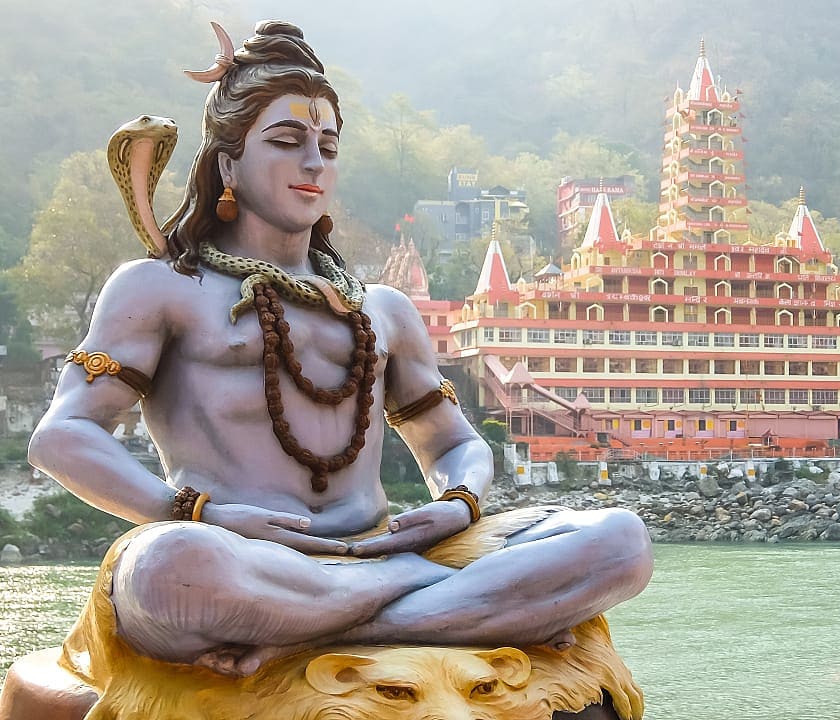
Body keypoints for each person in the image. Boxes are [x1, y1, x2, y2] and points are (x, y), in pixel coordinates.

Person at [29, 21, 652, 679]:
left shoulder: (381, 308)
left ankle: (332, 627)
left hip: (385, 552)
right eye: (287, 142)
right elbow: (62, 436)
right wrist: (193, 512)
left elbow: (453, 444)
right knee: (164, 570)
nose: (313, 165)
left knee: (620, 543)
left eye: (327, 146)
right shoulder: (162, 287)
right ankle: (444, 610)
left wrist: (458, 501)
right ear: (228, 162)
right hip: (240, 553)